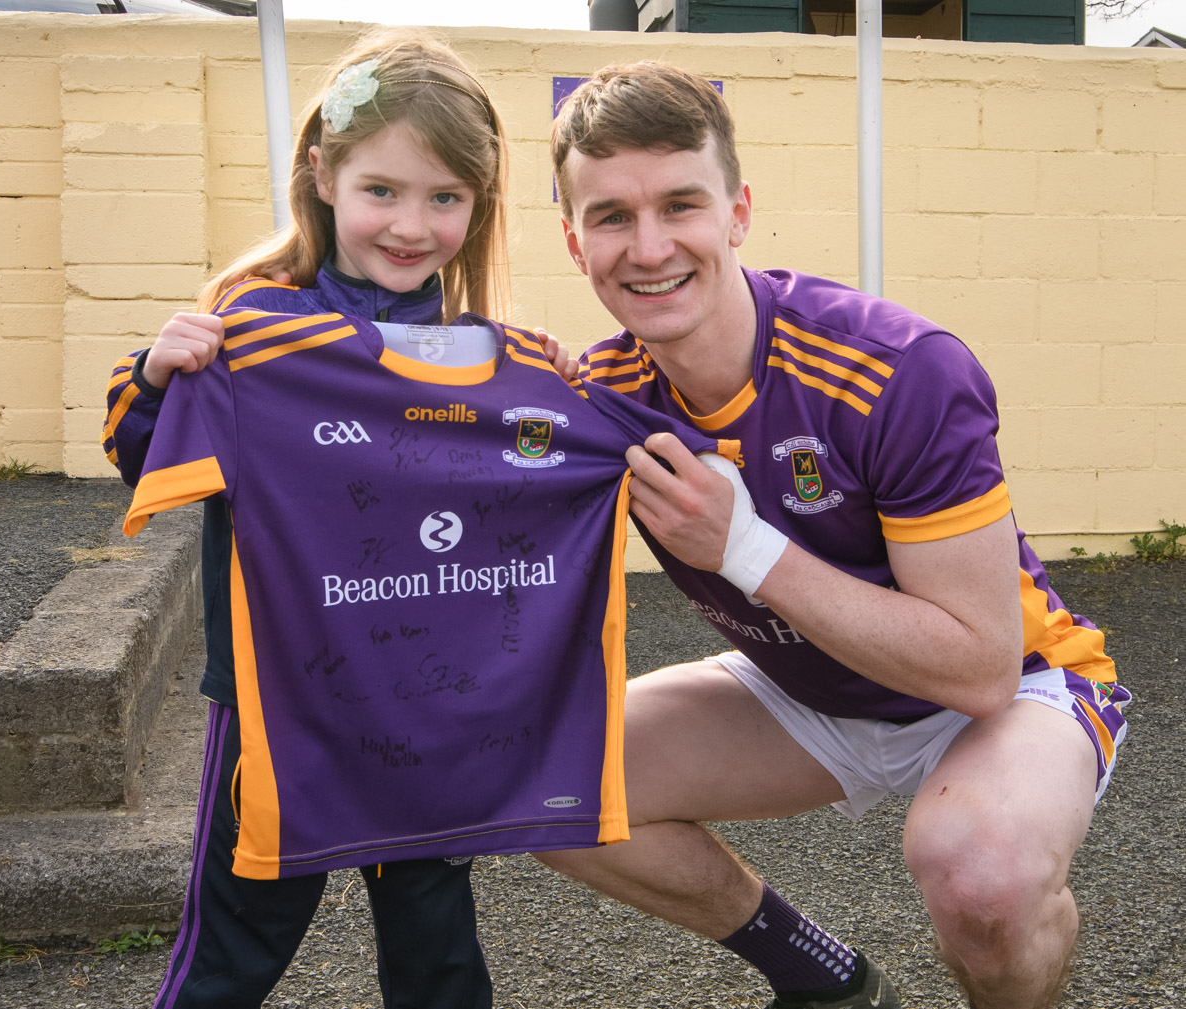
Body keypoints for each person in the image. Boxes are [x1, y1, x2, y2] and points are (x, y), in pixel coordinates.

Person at [533, 61, 1129, 1009]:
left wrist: (743, 548)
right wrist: (225, 349)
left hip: (1009, 690)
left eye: (680, 204)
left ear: (737, 211)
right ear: (574, 242)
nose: (647, 247)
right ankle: (826, 981)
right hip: (809, 689)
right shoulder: (600, 397)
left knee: (979, 877)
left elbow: (977, 666)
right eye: (610, 216)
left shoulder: (897, 368)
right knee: (537, 781)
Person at [102, 32, 508, 1009]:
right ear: (322, 174)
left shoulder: (472, 350)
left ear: (476, 207)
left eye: (444, 197)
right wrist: (158, 372)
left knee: (436, 936)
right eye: (384, 190)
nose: (412, 224)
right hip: (274, 692)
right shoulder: (254, 321)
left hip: (418, 694)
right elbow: (143, 453)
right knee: (241, 930)